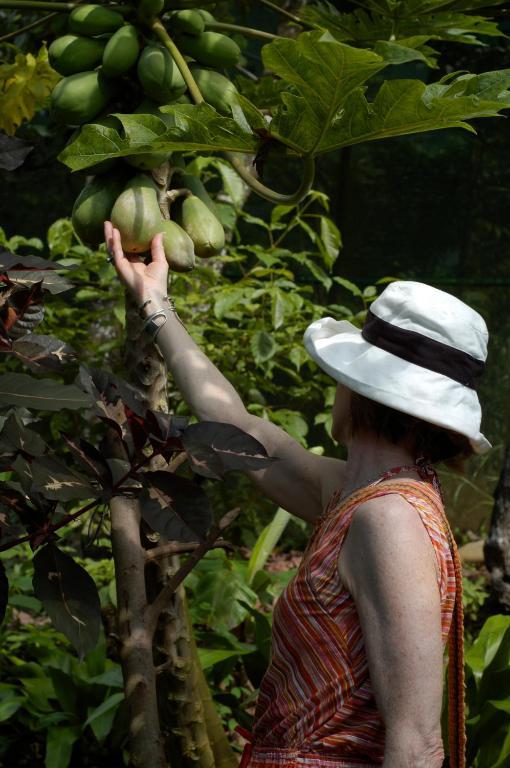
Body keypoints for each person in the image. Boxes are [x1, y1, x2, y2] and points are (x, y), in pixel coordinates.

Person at [104, 221, 490, 768]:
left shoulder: (390, 521)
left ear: (362, 391)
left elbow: (418, 741)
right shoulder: (358, 495)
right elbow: (233, 424)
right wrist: (154, 301)